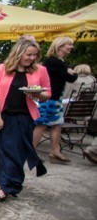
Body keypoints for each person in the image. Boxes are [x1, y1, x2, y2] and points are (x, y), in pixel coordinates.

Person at [0, 35, 50, 201]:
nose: (32, 58)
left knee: (14, 153)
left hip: (23, 118)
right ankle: (4, 182)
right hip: (2, 115)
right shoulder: (2, 69)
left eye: (34, 55)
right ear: (19, 53)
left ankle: (7, 187)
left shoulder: (40, 71)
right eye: (28, 54)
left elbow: (47, 94)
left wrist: (36, 93)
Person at [33, 36, 78, 164]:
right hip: (49, 98)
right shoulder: (55, 62)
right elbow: (70, 78)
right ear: (59, 46)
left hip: (55, 98)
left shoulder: (59, 61)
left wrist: (70, 72)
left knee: (57, 124)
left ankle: (55, 151)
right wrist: (73, 73)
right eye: (68, 45)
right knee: (41, 124)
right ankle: (30, 151)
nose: (71, 47)